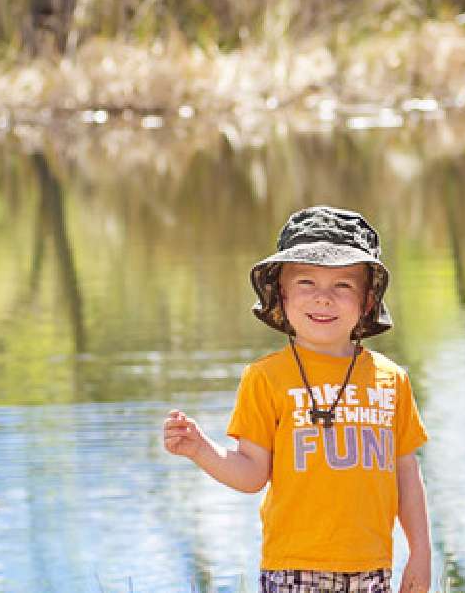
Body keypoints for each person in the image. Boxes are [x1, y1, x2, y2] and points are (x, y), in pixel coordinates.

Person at [163, 206, 431, 593]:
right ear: (282, 295)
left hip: (373, 568)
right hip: (293, 568)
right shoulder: (266, 378)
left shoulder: (391, 380)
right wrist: (201, 450)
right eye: (306, 282)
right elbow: (253, 473)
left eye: (343, 285)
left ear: (367, 301)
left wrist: (420, 553)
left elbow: (407, 475)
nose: (323, 298)